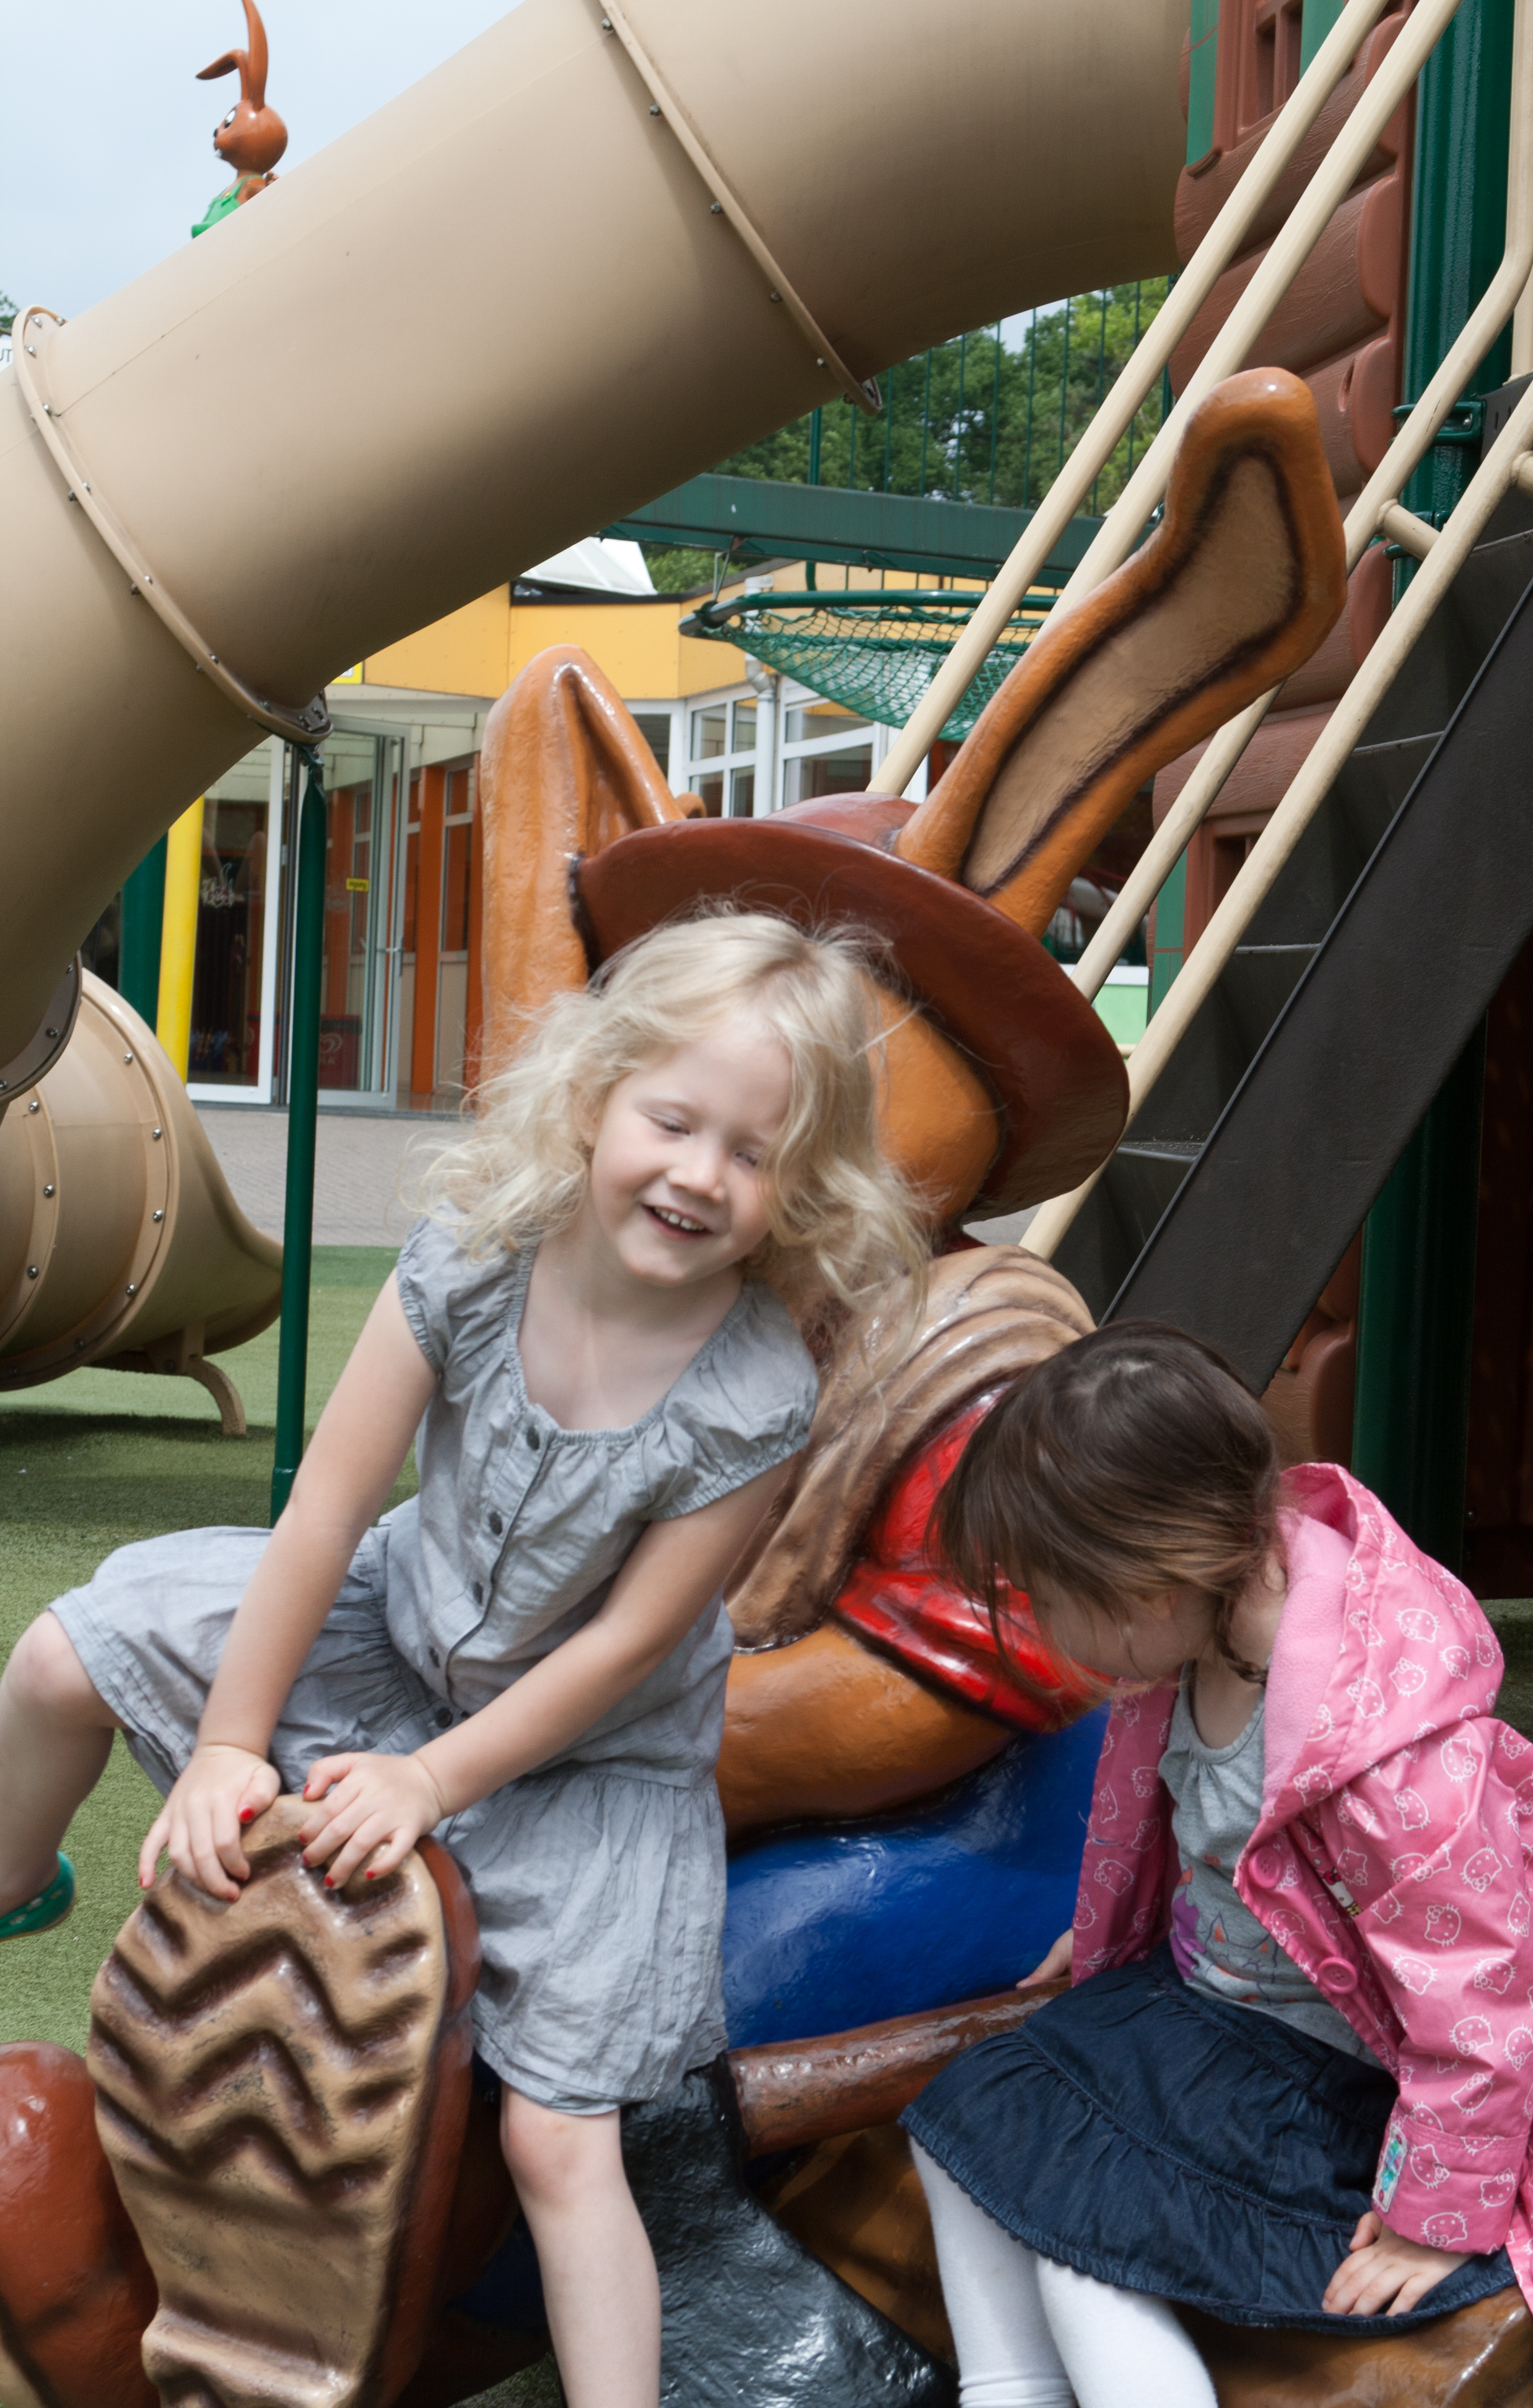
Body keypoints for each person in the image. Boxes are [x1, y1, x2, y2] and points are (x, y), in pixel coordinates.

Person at [0, 908, 927, 2408]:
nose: (701, 1174)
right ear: (594, 1097)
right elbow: (325, 1508)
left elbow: (626, 1649)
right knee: (59, 1658)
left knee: (562, 2141)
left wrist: (430, 1782)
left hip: (585, 1757)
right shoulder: (478, 1259)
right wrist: (233, 1738)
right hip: (394, 1624)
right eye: (673, 1122)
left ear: (803, 1187)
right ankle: (9, 1881)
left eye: (754, 1155)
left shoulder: (752, 1392)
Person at [901, 1322, 1533, 2408]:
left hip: (1337, 2082)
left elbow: (1485, 1988)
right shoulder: (1198, 1630)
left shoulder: (1382, 1760)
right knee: (962, 2129)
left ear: (1150, 1581)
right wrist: (1115, 1927)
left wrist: (1435, 2213)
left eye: (1048, 1596)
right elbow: (1203, 1831)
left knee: (1088, 2247)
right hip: (1222, 2014)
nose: (1040, 1627)